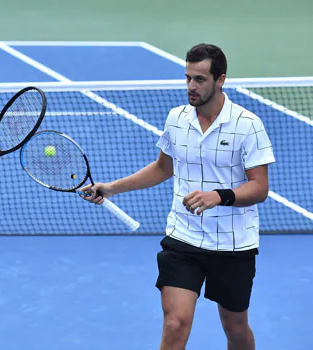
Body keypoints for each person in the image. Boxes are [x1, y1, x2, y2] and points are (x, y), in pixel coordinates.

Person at [81, 43, 275, 350]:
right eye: (187, 78)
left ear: (220, 80)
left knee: (235, 328)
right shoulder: (177, 118)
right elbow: (162, 168)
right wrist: (111, 187)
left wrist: (218, 196)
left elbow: (259, 188)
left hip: (232, 243)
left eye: (199, 79)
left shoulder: (247, 125)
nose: (191, 86)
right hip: (183, 238)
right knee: (175, 323)